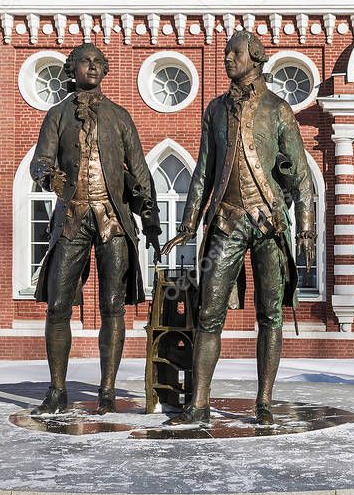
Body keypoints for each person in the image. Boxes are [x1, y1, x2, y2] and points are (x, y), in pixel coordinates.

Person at [161, 30, 316, 426]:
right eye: (227, 52)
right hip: (226, 221)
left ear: (256, 57)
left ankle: (264, 401)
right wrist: (188, 224)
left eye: (235, 52)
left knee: (271, 316)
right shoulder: (215, 110)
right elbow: (203, 173)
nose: (227, 57)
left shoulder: (278, 109)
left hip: (269, 224)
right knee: (208, 311)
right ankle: (199, 403)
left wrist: (306, 231)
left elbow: (301, 177)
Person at [29, 43, 161, 415]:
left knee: (113, 306)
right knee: (57, 306)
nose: (92, 67)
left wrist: (150, 222)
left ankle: (107, 389)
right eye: (85, 61)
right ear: (72, 68)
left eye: (98, 63)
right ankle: (57, 389)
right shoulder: (57, 115)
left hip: (113, 219)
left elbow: (139, 171)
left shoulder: (119, 117)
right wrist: (47, 175)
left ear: (105, 71)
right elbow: (39, 161)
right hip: (72, 216)